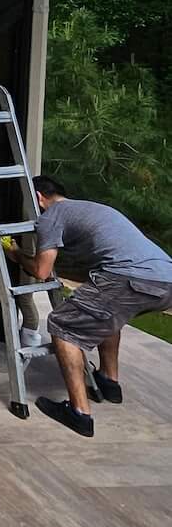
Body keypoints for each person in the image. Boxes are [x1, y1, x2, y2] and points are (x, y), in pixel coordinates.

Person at [27, 174, 172, 437]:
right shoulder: (90, 208)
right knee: (107, 312)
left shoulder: (51, 216)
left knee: (62, 325)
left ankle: (79, 413)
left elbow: (41, 271)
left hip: (131, 278)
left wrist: (15, 253)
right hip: (166, 278)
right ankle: (109, 382)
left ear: (38, 197)